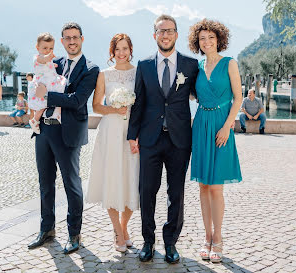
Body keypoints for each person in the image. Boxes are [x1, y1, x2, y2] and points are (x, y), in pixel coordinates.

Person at [127, 15, 198, 264]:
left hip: (180, 140)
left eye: (169, 31)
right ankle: (148, 241)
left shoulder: (190, 65)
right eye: (160, 31)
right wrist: (131, 136)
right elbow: (138, 103)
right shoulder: (144, 65)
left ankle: (170, 242)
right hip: (149, 139)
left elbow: (203, 95)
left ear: (176, 34)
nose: (165, 35)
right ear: (154, 35)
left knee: (175, 193)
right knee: (147, 191)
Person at [27, 22, 99, 254]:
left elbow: (77, 100)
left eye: (75, 37)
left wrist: (47, 96)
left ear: (82, 39)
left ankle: (74, 234)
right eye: (67, 38)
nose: (71, 41)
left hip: (68, 133)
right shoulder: (53, 62)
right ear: (62, 41)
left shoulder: (90, 68)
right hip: (44, 130)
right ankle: (46, 229)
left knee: (72, 184)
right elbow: (36, 80)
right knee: (45, 183)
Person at [188, 19, 243, 263]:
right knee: (202, 185)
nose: (207, 41)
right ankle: (206, 237)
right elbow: (190, 94)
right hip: (200, 124)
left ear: (219, 39)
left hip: (222, 125)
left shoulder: (230, 63)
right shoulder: (196, 67)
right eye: (202, 38)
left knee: (216, 187)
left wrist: (227, 127)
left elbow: (239, 97)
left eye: (211, 37)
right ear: (197, 42)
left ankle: (218, 238)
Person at [86, 34, 139, 253]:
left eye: (125, 48)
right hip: (110, 132)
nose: (121, 52)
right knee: (111, 179)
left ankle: (124, 227)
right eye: (117, 49)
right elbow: (96, 106)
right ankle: (117, 232)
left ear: (130, 50)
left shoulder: (139, 73)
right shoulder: (103, 75)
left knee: (132, 180)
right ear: (112, 51)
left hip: (132, 133)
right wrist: (114, 109)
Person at [28, 33, 66, 134]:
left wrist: (52, 64)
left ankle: (57, 115)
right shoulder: (37, 58)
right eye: (45, 48)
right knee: (43, 104)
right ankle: (34, 120)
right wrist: (49, 57)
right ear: (37, 47)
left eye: (51, 48)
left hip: (50, 81)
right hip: (45, 83)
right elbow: (43, 60)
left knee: (54, 100)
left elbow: (46, 65)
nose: (48, 51)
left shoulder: (46, 59)